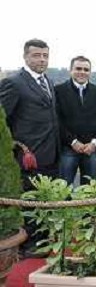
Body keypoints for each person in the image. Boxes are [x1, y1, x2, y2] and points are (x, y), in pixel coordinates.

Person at [0, 39, 60, 257]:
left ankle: (43, 239)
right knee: (29, 200)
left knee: (45, 199)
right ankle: (29, 245)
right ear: (25, 56)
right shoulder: (14, 83)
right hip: (28, 156)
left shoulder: (49, 81)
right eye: (36, 55)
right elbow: (2, 120)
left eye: (45, 55)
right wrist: (15, 146)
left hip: (51, 153)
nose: (41, 59)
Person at [55, 56, 96, 185]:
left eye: (86, 69)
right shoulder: (58, 91)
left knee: (88, 190)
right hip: (67, 149)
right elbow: (56, 120)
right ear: (70, 70)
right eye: (78, 68)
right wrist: (72, 141)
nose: (82, 72)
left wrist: (95, 142)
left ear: (90, 72)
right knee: (63, 188)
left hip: (91, 150)